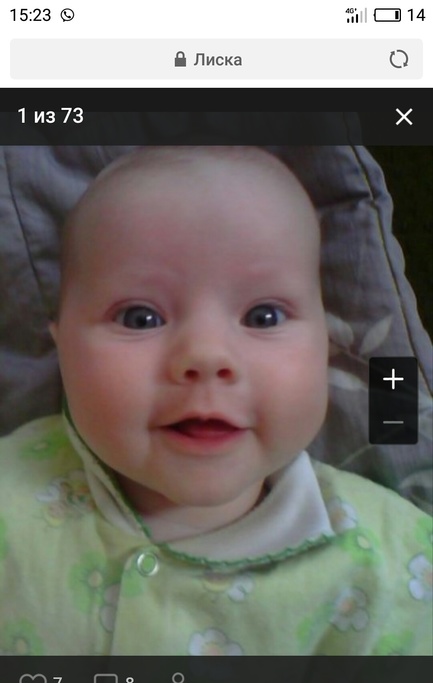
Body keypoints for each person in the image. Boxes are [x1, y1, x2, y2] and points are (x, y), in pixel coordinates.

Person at [0, 146, 431, 657]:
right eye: (140, 318)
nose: (206, 356)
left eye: (264, 317)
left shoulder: (397, 562)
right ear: (62, 347)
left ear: (327, 348)